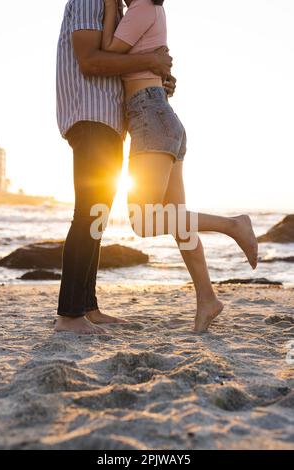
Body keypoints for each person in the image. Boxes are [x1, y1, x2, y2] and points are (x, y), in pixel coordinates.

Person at [101, 0, 258, 332]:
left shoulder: (141, 7)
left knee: (143, 221)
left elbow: (107, 54)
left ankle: (234, 225)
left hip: (151, 118)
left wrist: (108, 7)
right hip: (160, 117)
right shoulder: (151, 10)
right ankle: (207, 299)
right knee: (179, 222)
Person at [55, 0, 175, 334]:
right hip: (90, 117)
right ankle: (68, 316)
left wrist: (157, 77)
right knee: (88, 214)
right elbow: (90, 61)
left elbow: (124, 66)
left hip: (109, 122)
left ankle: (87, 307)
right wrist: (150, 59)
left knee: (97, 216)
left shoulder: (118, 12)